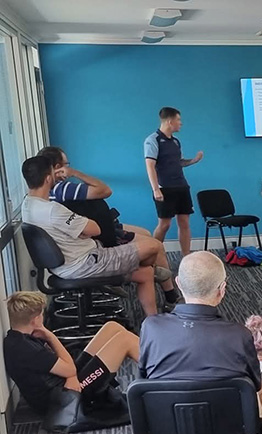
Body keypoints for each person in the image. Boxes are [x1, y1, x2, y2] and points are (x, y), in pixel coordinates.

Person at [139, 251, 262, 434]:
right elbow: (255, 384)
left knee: (172, 395)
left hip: (165, 429)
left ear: (179, 284)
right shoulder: (239, 334)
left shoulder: (151, 327)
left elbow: (145, 379)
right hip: (234, 429)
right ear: (222, 289)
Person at [21, 155, 177, 316]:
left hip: (70, 263)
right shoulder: (52, 210)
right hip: (87, 263)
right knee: (154, 246)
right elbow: (95, 230)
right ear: (48, 178)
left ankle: (152, 321)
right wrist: (82, 223)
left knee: (145, 273)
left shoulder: (27, 205)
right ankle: (151, 269)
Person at [38, 146, 175, 283]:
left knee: (145, 233)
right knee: (155, 245)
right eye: (67, 164)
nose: (68, 167)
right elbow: (105, 190)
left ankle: (148, 270)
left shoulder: (46, 194)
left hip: (100, 229)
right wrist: (74, 173)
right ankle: (164, 288)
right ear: (58, 167)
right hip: (99, 237)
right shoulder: (63, 189)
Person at [4, 291, 139, 414]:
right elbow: (69, 369)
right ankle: (158, 375)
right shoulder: (26, 349)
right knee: (124, 340)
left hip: (64, 382)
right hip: (66, 397)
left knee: (112, 327)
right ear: (35, 320)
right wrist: (50, 336)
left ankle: (156, 366)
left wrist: (71, 374)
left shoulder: (17, 339)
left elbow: (62, 365)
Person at [145, 107, 203, 256]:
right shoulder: (153, 140)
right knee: (164, 224)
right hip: (164, 188)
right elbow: (150, 166)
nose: (180, 123)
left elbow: (179, 162)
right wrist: (155, 189)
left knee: (184, 223)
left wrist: (194, 160)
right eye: (178, 120)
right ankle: (152, 256)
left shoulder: (176, 142)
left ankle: (186, 257)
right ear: (170, 122)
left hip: (181, 186)